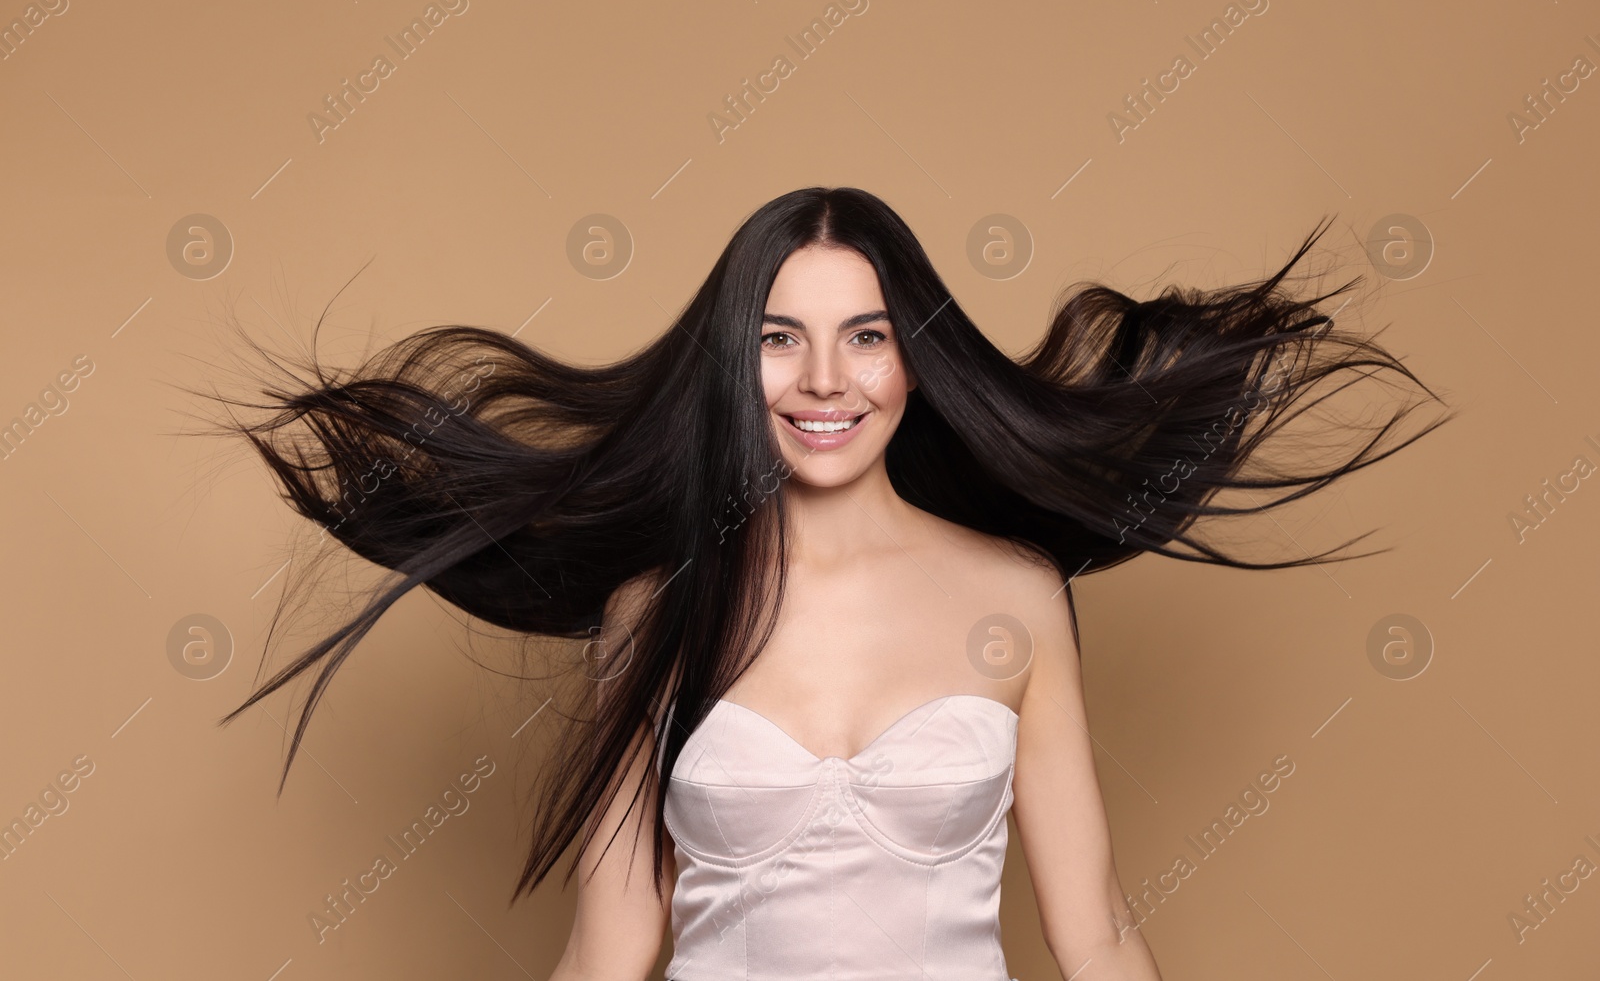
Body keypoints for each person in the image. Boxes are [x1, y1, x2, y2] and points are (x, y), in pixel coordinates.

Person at [202, 187, 1449, 979]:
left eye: (864, 334)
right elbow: (615, 939)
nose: (823, 381)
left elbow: (1094, 930)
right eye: (778, 339)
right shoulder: (655, 607)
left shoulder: (1015, 598)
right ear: (733, 365)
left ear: (916, 357)